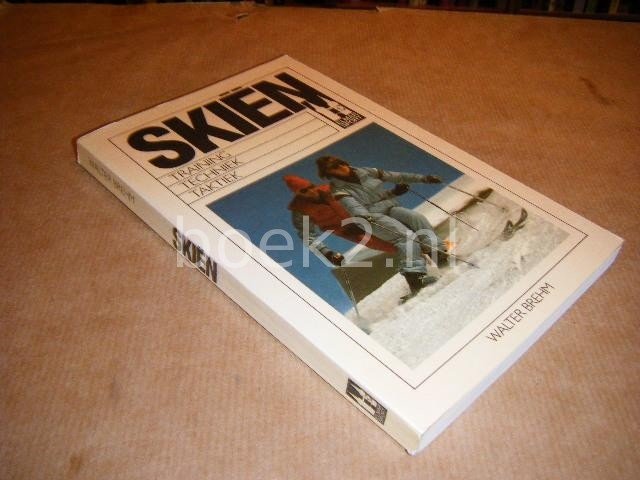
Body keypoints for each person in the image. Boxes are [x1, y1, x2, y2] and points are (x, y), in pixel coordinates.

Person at [316, 155, 450, 297]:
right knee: (405, 237)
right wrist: (363, 215)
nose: (340, 167)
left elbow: (396, 176)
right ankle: (415, 279)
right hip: (370, 218)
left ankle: (438, 255)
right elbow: (352, 205)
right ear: (328, 173)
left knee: (417, 218)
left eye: (339, 163)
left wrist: (424, 179)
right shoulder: (338, 189)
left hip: (389, 207)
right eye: (334, 167)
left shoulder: (367, 172)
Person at [284, 175, 396, 267]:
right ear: (298, 194)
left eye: (311, 187)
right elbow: (307, 236)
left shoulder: (331, 190)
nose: (311, 191)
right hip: (348, 230)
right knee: (377, 243)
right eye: (304, 191)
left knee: (396, 232)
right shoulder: (301, 210)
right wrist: (327, 253)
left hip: (364, 218)